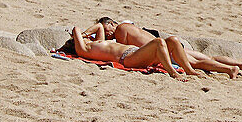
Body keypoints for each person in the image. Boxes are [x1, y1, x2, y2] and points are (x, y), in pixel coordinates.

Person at [84, 17, 242, 76]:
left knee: (196, 63)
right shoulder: (130, 25)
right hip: (171, 44)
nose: (109, 35)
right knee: (206, 57)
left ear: (112, 23)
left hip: (164, 50)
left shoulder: (121, 31)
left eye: (108, 31)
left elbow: (126, 52)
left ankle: (229, 70)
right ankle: (240, 65)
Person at [68, 25, 205, 81]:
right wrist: (79, 35)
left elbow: (99, 26)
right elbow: (75, 28)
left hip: (135, 52)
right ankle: (172, 73)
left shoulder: (96, 43)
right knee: (158, 42)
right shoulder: (84, 50)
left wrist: (86, 34)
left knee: (173, 40)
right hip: (127, 58)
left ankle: (189, 70)